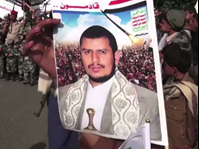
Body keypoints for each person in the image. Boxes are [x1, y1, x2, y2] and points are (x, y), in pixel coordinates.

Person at [21, 19, 162, 149]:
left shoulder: (147, 100)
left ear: (116, 56)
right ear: (80, 55)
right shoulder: (69, 93)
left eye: (102, 51)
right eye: (87, 52)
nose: (94, 59)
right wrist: (58, 78)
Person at [162, 44, 198, 149]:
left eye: (166, 64)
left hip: (180, 144)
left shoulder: (189, 91)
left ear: (174, 69)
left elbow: (193, 120)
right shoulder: (169, 82)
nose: (164, 66)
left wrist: (190, 144)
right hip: (168, 140)